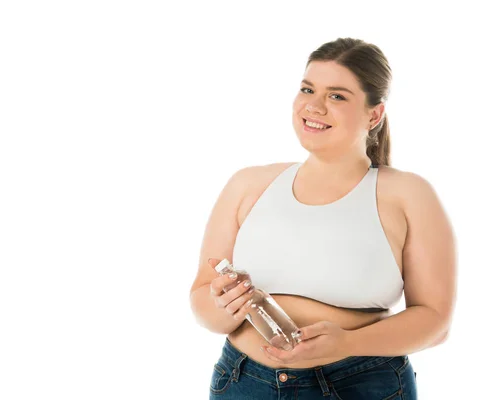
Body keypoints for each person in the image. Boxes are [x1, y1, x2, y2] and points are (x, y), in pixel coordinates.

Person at [189, 37, 456, 400]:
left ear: (374, 114)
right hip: (242, 382)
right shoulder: (248, 184)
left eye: (337, 96)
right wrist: (225, 307)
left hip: (359, 384)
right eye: (307, 89)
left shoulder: (408, 194)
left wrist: (347, 343)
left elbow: (435, 321)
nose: (313, 106)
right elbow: (203, 299)